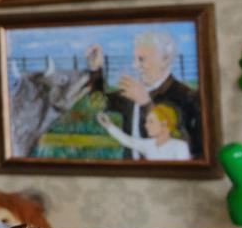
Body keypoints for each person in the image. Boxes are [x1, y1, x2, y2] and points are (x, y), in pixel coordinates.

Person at [84, 32, 201, 160]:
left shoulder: (186, 96)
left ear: (165, 59)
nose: (135, 66)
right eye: (134, 59)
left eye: (141, 59)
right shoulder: (132, 91)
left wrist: (146, 104)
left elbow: (187, 145)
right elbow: (98, 104)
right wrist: (95, 70)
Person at [98, 103, 192, 162]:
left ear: (164, 124)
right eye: (146, 121)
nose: (146, 125)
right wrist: (108, 125)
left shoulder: (180, 146)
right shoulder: (149, 145)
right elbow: (127, 141)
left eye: (151, 122)